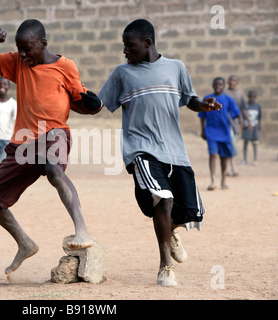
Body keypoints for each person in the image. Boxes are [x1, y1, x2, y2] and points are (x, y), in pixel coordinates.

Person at [96, 19, 222, 287]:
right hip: (141, 149)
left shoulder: (176, 68)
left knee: (191, 212)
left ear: (148, 43)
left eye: (129, 46)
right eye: (124, 46)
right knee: (162, 199)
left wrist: (204, 106)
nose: (125, 51)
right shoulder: (122, 73)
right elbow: (99, 104)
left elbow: (190, 99)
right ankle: (166, 266)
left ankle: (171, 232)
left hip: (175, 151)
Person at [0, 19, 101, 275]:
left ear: (43, 44)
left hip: (55, 133)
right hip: (23, 141)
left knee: (53, 169)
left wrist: (93, 104)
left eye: (27, 48)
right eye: (19, 48)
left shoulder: (66, 67)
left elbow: (80, 102)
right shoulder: (17, 61)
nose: (22, 54)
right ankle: (24, 243)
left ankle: (82, 229)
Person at [199, 77, 241, 191]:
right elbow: (202, 116)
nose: (218, 86)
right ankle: (213, 181)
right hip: (211, 132)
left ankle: (223, 181)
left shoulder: (228, 99)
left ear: (223, 86)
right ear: (213, 85)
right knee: (212, 155)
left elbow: (236, 113)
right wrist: (202, 130)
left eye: (220, 84)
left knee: (224, 157)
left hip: (224, 132)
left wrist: (240, 121)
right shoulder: (207, 99)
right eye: (216, 84)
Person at [225, 75, 252, 176]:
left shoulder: (239, 94)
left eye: (234, 81)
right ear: (228, 81)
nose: (232, 82)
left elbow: (243, 109)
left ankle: (228, 168)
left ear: (237, 83)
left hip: (236, 123)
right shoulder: (224, 93)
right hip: (226, 123)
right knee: (230, 144)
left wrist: (247, 121)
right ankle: (232, 168)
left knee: (231, 145)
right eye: (231, 80)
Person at [242, 90, 262, 166]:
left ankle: (255, 159)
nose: (252, 98)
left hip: (255, 127)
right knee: (245, 143)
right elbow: (242, 115)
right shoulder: (246, 105)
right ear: (248, 97)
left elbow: (259, 117)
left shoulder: (257, 106)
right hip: (247, 127)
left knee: (255, 143)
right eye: (250, 97)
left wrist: (259, 125)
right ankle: (244, 159)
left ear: (256, 97)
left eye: (253, 97)